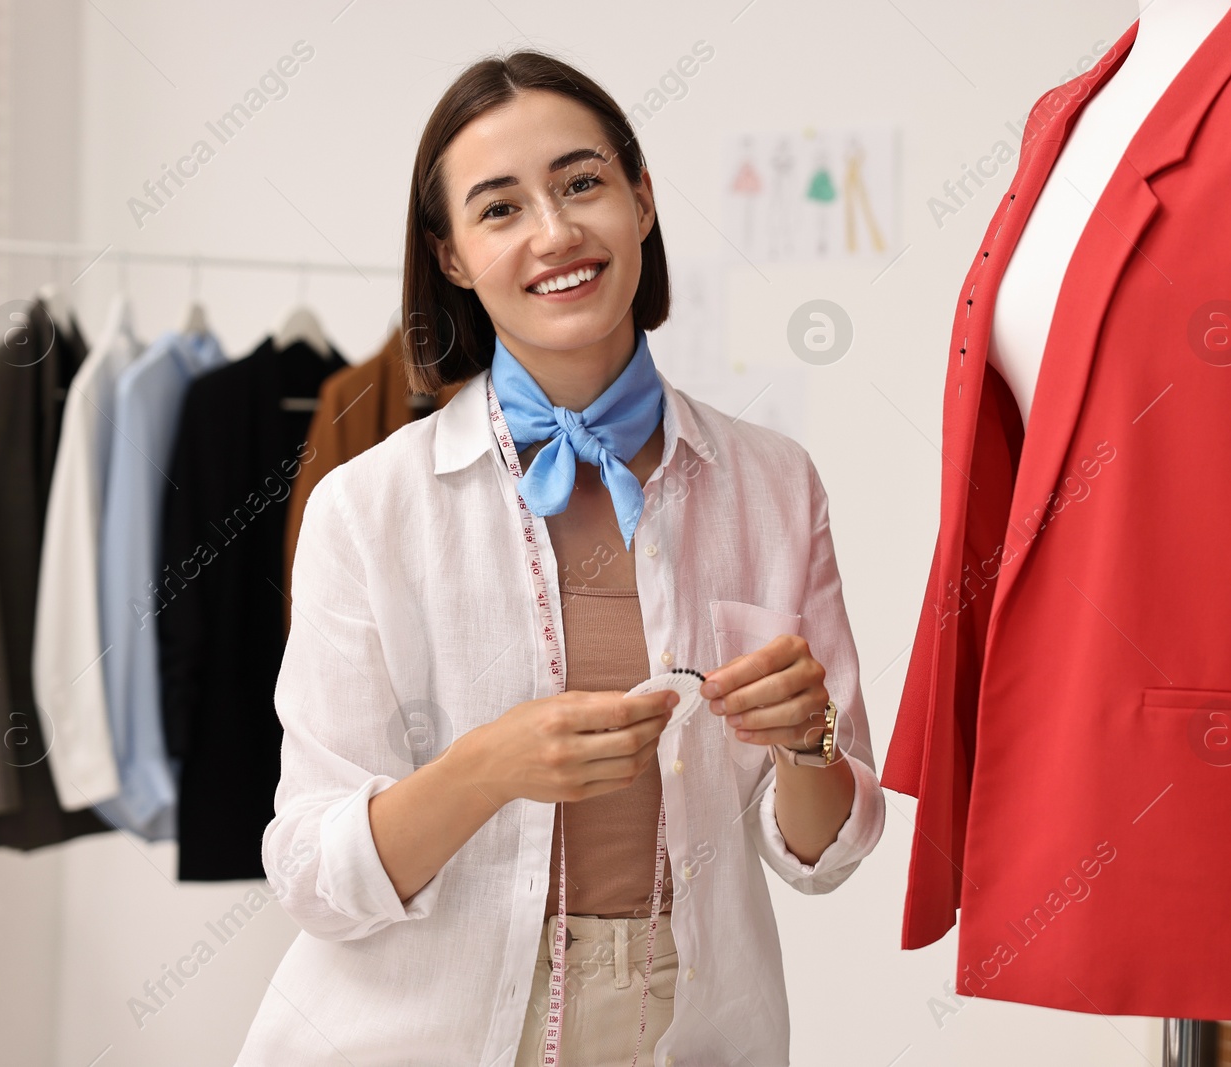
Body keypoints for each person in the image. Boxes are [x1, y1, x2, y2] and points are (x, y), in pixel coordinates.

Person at [233, 48, 885, 1067]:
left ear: (641, 199)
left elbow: (824, 851)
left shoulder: (773, 482)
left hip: (688, 1021)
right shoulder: (367, 507)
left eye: (582, 183)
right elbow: (313, 872)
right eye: (499, 209)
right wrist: (484, 768)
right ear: (451, 257)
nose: (555, 232)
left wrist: (809, 743)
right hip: (419, 1028)